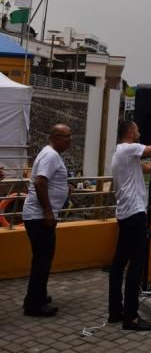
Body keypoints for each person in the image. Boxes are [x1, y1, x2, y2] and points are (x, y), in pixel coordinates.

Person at [108, 120, 151, 331]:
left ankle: (115, 311)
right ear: (129, 131)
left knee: (119, 264)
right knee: (136, 265)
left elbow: (148, 168)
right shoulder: (130, 149)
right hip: (134, 213)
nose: (140, 132)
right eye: (137, 129)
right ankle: (131, 317)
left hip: (125, 213)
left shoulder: (122, 152)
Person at [22, 124, 72, 316]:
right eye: (66, 136)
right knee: (42, 260)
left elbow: (48, 182)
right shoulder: (50, 155)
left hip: (38, 216)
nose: (70, 140)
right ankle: (34, 305)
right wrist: (49, 213)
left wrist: (64, 189)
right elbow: (40, 181)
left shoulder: (51, 154)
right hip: (39, 217)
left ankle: (38, 295)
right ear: (56, 137)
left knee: (42, 259)